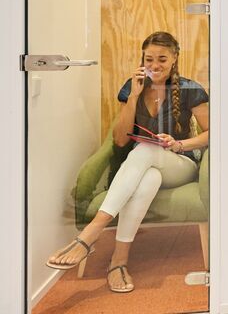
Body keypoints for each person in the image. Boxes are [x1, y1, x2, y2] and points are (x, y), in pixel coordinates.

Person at [46, 31, 210, 293]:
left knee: (145, 150)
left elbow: (211, 133)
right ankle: (118, 262)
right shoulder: (132, 87)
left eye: (162, 59)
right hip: (146, 164)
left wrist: (179, 144)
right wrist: (133, 96)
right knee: (148, 177)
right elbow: (121, 140)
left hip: (180, 163)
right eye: (149, 59)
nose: (155, 66)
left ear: (175, 58)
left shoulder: (191, 89)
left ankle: (91, 232)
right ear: (142, 59)